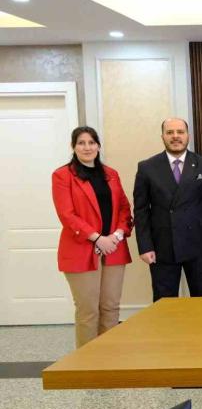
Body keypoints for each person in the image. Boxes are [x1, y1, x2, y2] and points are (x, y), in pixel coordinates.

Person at [51, 126, 132, 347]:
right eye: (81, 143)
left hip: (114, 249)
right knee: (88, 311)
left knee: (110, 308)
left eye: (91, 142)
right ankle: (86, 362)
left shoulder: (111, 174)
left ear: (98, 146)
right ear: (73, 147)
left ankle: (107, 357)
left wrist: (116, 236)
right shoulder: (62, 176)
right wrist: (97, 238)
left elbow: (124, 208)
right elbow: (67, 214)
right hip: (81, 250)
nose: (87, 147)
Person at [133, 118, 202, 301]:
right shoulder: (147, 167)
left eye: (180, 132)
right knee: (164, 303)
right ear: (162, 136)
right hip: (163, 245)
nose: (175, 136)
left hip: (199, 244)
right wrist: (145, 246)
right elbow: (141, 211)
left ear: (188, 135)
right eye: (170, 132)